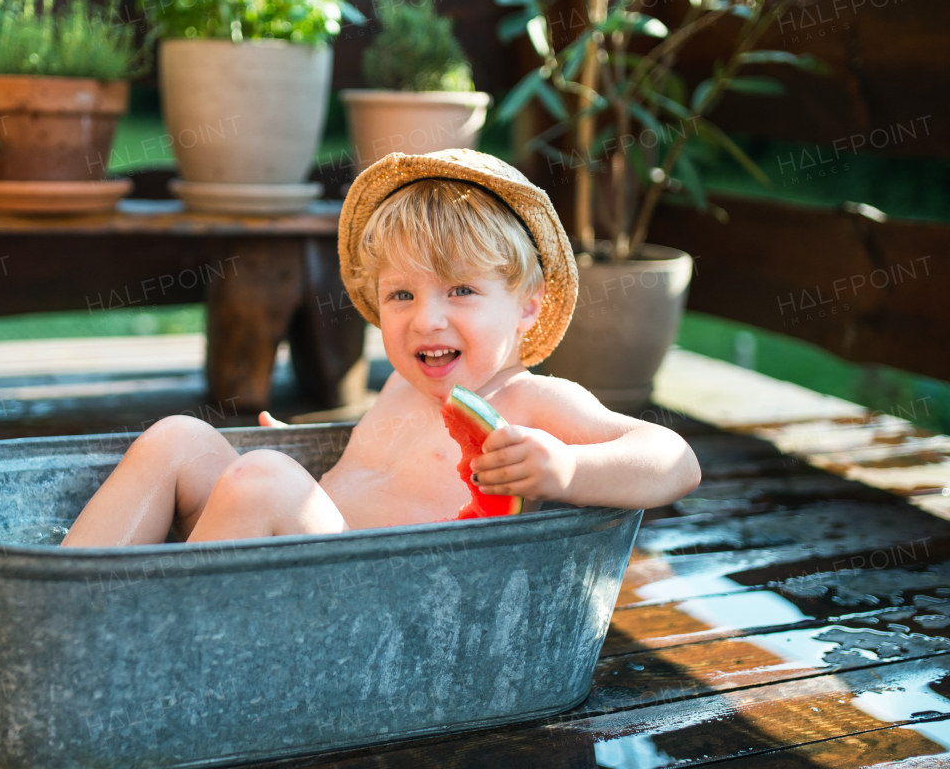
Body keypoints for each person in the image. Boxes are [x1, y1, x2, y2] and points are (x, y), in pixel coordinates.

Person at [62, 149, 700, 547]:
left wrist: (566, 469)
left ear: (528, 304)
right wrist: (291, 454)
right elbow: (370, 476)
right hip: (301, 550)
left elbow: (675, 461)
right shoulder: (402, 384)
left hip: (368, 599)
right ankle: (73, 605)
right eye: (401, 296)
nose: (427, 320)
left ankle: (164, 648)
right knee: (178, 436)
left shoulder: (528, 401)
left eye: (460, 290)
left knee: (261, 478)